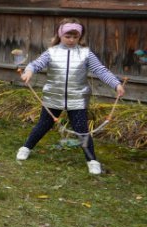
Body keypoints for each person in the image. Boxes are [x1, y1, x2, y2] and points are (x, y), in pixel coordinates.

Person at [18, 20, 125, 175]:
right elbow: (35, 64)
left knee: (82, 130)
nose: (71, 40)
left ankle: (92, 160)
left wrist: (116, 84)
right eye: (68, 36)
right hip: (53, 96)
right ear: (61, 35)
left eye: (75, 37)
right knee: (43, 125)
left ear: (79, 37)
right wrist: (28, 71)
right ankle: (26, 147)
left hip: (78, 98)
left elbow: (101, 71)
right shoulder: (51, 52)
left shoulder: (85, 53)